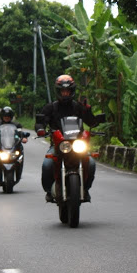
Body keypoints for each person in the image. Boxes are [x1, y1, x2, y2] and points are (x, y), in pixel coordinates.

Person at [35, 75, 106, 203]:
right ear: (58, 91)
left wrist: (88, 110)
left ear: (72, 91)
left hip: (78, 144)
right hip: (58, 145)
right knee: (47, 165)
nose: (65, 94)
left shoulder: (78, 107)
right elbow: (41, 122)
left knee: (90, 163)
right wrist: (40, 129)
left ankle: (85, 189)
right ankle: (49, 191)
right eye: (63, 91)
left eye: (67, 91)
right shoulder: (51, 107)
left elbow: (91, 122)